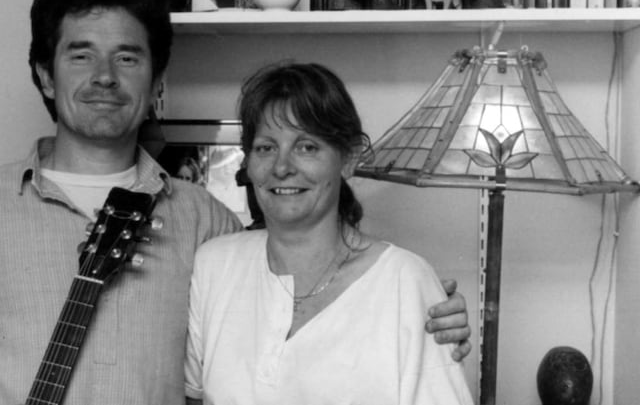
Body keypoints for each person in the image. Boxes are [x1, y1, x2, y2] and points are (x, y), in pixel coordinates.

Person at [0, 0, 470, 404]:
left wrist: (420, 310)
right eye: (80, 55)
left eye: (128, 57)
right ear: (46, 76)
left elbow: (300, 288)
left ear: (156, 84)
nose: (105, 76)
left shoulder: (208, 224)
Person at [185, 62, 475, 404]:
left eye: (307, 147)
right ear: (248, 160)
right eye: (266, 147)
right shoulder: (214, 266)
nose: (282, 167)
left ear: (349, 158)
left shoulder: (406, 283)